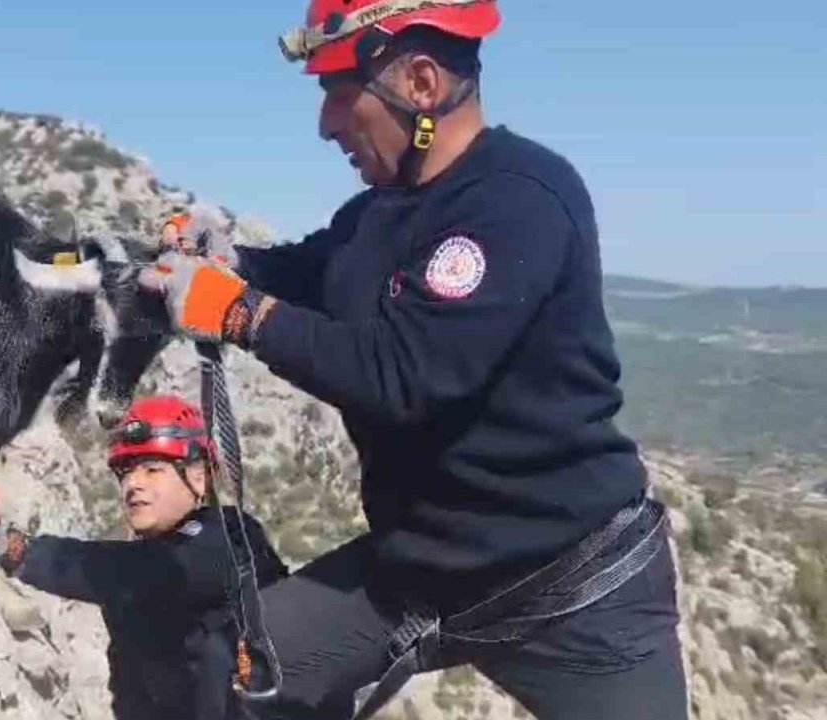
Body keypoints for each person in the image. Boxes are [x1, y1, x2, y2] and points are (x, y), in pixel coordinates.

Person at [136, 1, 687, 719]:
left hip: (574, 587)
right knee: (245, 671)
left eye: (338, 92)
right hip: (423, 571)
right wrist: (229, 260)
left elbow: (405, 375)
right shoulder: (381, 211)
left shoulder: (519, 200)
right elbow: (311, 271)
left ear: (422, 85)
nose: (327, 124)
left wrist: (236, 313)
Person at [0, 395, 288, 720]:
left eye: (152, 469)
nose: (133, 484)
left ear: (199, 476)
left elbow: (152, 570)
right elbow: (132, 697)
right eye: (125, 472)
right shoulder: (129, 595)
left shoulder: (232, 537)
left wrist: (21, 551)